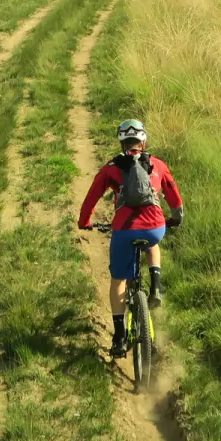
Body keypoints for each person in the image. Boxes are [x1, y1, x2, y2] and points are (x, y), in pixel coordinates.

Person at [77, 119, 183, 358]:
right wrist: (176, 217)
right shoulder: (157, 164)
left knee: (118, 280)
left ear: (121, 142)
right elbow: (173, 194)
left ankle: (119, 336)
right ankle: (155, 285)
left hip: (124, 231)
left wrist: (84, 222)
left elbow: (91, 199)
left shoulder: (111, 167)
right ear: (143, 141)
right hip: (154, 227)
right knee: (153, 243)